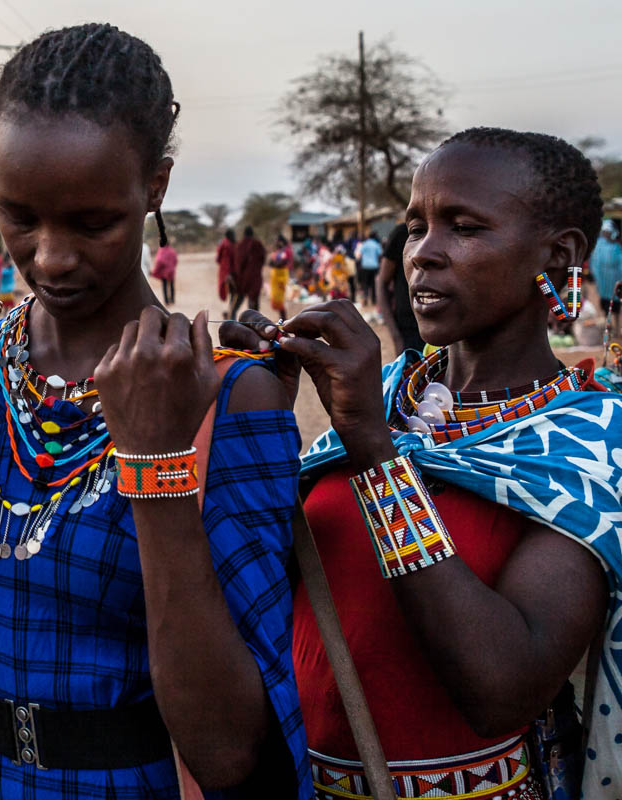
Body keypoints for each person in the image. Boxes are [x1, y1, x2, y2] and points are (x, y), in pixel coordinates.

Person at [0, 23, 311, 799]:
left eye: (91, 223)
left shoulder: (224, 393)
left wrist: (156, 467)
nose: (48, 257)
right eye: (18, 216)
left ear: (156, 187)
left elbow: (226, 752)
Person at [222, 127, 620, 798]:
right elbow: (276, 592)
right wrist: (259, 423)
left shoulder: (587, 439)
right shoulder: (383, 394)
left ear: (558, 255)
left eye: (462, 228)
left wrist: (376, 454)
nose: (422, 256)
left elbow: (503, 687)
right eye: (414, 228)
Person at [376, 221, 426, 355]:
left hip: (446, 331)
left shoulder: (451, 232)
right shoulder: (402, 233)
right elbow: (381, 282)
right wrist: (396, 337)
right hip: (409, 331)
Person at [231, 226, 265, 318]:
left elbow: (238, 264)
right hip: (255, 278)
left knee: (237, 302)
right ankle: (255, 323)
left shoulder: (240, 245)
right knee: (254, 303)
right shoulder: (258, 244)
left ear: (244, 234)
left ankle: (232, 320)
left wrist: (238, 277)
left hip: (243, 280)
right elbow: (262, 260)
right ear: (252, 234)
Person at [589, 220, 622, 315]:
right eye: (605, 232)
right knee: (605, 303)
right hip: (602, 280)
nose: (606, 234)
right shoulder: (598, 245)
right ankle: (608, 323)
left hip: (614, 279)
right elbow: (594, 263)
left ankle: (615, 325)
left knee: (615, 303)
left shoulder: (616, 246)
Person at [268, 234, 293, 319]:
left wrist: (275, 264)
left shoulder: (284, 252)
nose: (276, 243)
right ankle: (282, 319)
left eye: (277, 241)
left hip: (281, 277)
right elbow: (271, 262)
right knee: (277, 298)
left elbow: (283, 262)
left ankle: (283, 319)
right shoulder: (278, 252)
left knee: (280, 299)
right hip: (277, 277)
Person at [356, 231, 382, 306]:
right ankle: (374, 300)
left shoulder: (364, 244)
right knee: (373, 284)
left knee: (365, 284)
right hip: (374, 267)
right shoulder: (376, 244)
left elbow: (359, 255)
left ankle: (365, 299)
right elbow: (380, 255)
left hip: (365, 267)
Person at [152, 240, 178, 304]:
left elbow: (159, 262)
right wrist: (172, 267)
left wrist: (155, 271)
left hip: (164, 273)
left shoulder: (162, 251)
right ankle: (172, 300)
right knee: (171, 285)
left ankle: (166, 301)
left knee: (164, 286)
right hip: (171, 272)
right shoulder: (172, 251)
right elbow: (176, 260)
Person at [216, 228, 236, 304]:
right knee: (233, 293)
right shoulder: (229, 245)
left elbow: (218, 259)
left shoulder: (223, 244)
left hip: (225, 272)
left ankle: (230, 312)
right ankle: (231, 313)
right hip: (229, 273)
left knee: (232, 293)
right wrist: (229, 273)